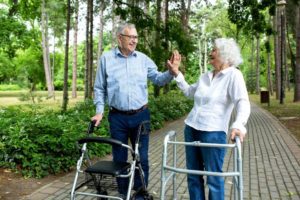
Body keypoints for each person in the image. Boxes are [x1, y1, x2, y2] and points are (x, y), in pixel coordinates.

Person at [92, 23, 176, 199]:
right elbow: (99, 88)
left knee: (142, 158)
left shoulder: (143, 59)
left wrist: (170, 72)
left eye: (136, 37)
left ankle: (140, 193)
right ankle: (123, 192)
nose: (134, 40)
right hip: (117, 117)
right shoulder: (106, 59)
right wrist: (99, 111)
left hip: (141, 116)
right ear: (119, 38)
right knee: (119, 157)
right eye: (130, 37)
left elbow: (159, 79)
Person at [167, 38, 251, 200]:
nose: (210, 53)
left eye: (214, 50)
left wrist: (239, 124)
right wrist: (177, 73)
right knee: (193, 176)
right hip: (191, 128)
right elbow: (189, 92)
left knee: (213, 178)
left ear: (226, 55)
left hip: (213, 132)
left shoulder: (234, 75)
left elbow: (242, 101)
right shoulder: (206, 76)